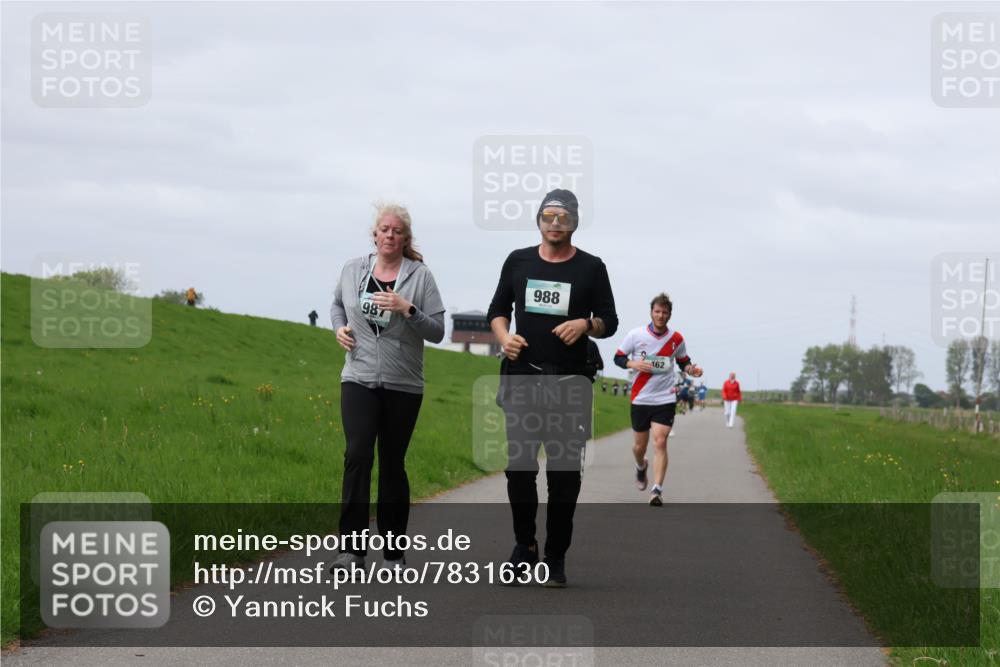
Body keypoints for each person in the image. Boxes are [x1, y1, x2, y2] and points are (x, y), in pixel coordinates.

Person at [487, 188, 618, 587]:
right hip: (524, 377)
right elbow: (497, 311)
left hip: (569, 382)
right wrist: (503, 337)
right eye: (548, 215)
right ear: (539, 220)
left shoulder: (591, 268)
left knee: (563, 475)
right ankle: (524, 546)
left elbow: (609, 320)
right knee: (519, 468)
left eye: (563, 216)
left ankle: (555, 557)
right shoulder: (518, 261)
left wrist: (586, 324)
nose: (555, 222)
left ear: (574, 222)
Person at [329, 202, 445, 570]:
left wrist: (406, 308)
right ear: (375, 234)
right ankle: (351, 550)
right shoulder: (352, 270)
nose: (389, 236)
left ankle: (394, 553)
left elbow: (438, 331)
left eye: (397, 231)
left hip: (403, 383)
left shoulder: (420, 277)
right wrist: (339, 329)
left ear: (405, 238)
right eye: (384, 229)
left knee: (392, 464)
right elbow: (335, 305)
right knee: (358, 454)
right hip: (358, 377)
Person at [614, 293, 702, 506]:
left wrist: (692, 369)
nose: (661, 315)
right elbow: (618, 357)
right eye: (657, 311)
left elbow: (683, 361)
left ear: (670, 314)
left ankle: (657, 489)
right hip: (640, 398)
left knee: (661, 442)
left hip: (664, 398)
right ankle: (640, 466)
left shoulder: (676, 339)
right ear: (651, 312)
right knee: (639, 448)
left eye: (664, 312)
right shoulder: (635, 335)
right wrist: (634, 365)